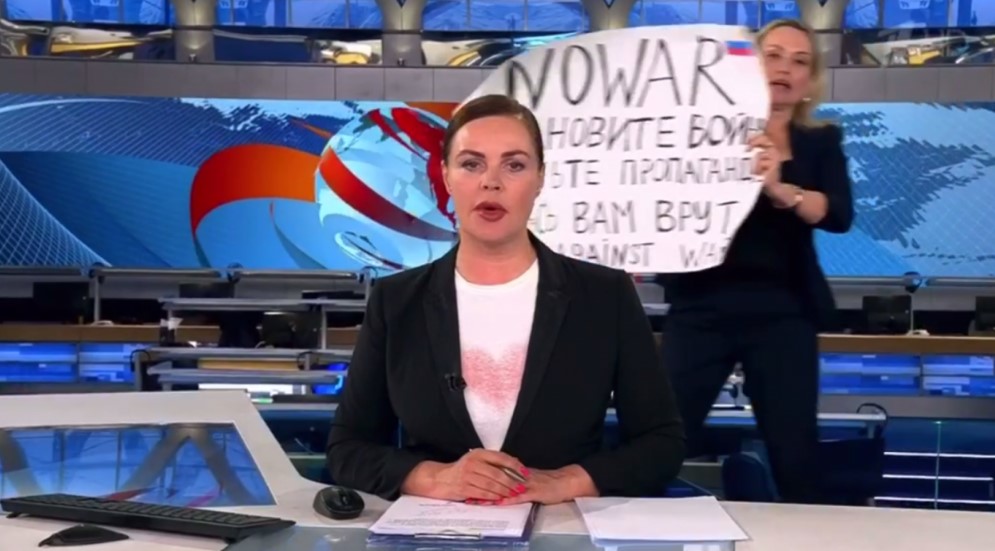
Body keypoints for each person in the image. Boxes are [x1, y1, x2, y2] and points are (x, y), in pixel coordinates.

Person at [327, 94, 685, 504]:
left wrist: (570, 481)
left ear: (540, 178)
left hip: (563, 527)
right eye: (471, 164)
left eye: (514, 165)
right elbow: (347, 448)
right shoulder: (396, 302)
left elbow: (661, 442)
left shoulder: (605, 296)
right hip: (434, 530)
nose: (491, 182)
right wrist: (435, 478)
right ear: (445, 177)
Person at [658, 19, 855, 504]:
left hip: (784, 311)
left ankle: (808, 534)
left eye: (799, 61)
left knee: (794, 451)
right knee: (661, 437)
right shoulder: (701, 130)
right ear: (749, 64)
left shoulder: (821, 140)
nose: (785, 68)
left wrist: (780, 190)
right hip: (701, 306)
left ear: (809, 79)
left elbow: (838, 214)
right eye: (774, 56)